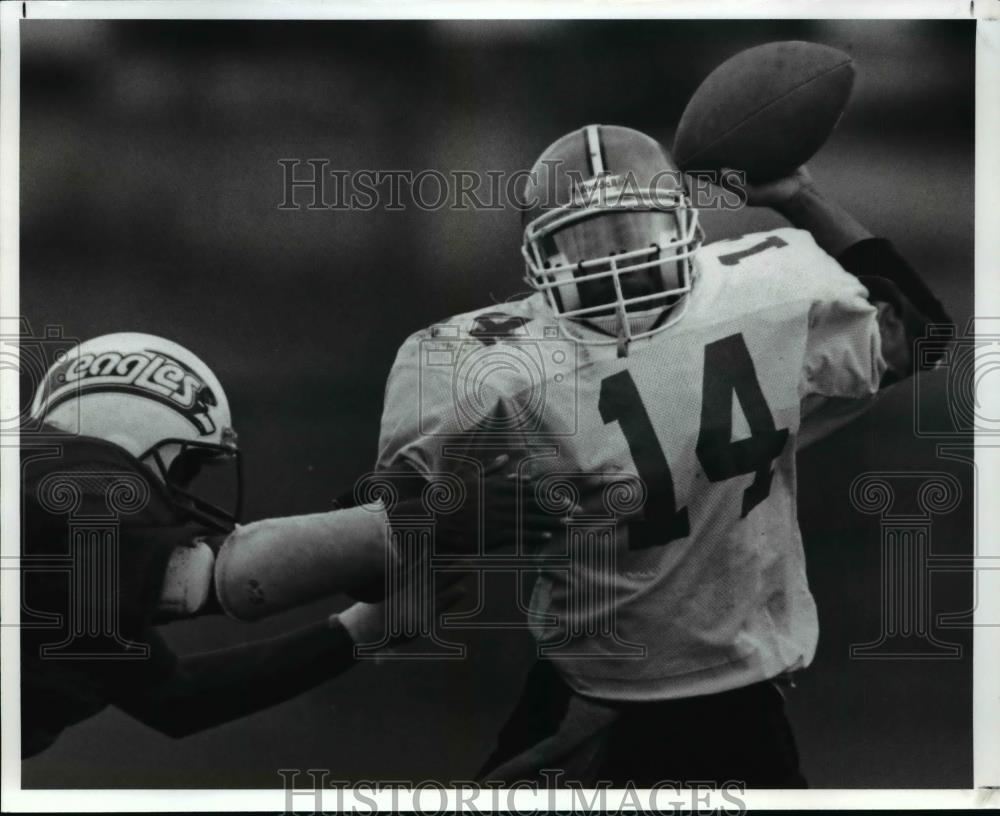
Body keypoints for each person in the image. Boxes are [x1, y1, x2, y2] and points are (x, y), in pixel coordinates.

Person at [373, 125, 951, 787]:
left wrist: (799, 197)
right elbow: (370, 534)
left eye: (634, 230)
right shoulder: (497, 360)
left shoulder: (761, 291)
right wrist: (437, 517)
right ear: (539, 258)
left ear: (683, 224)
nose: (616, 259)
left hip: (735, 696)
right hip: (592, 696)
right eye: (585, 241)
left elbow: (922, 339)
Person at [20, 332, 554, 759]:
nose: (182, 497)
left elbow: (175, 698)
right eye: (184, 469)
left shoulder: (62, 558)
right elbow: (196, 579)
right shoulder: (63, 473)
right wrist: (414, 524)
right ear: (135, 430)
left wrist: (362, 630)